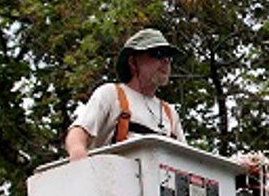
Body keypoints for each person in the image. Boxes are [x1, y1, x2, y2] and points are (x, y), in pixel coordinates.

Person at [65, 28, 184, 161]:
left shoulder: (170, 113)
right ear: (133, 62)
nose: (166, 61)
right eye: (158, 53)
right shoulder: (111, 94)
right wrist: (78, 155)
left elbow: (185, 161)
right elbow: (78, 133)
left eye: (168, 56)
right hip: (112, 178)